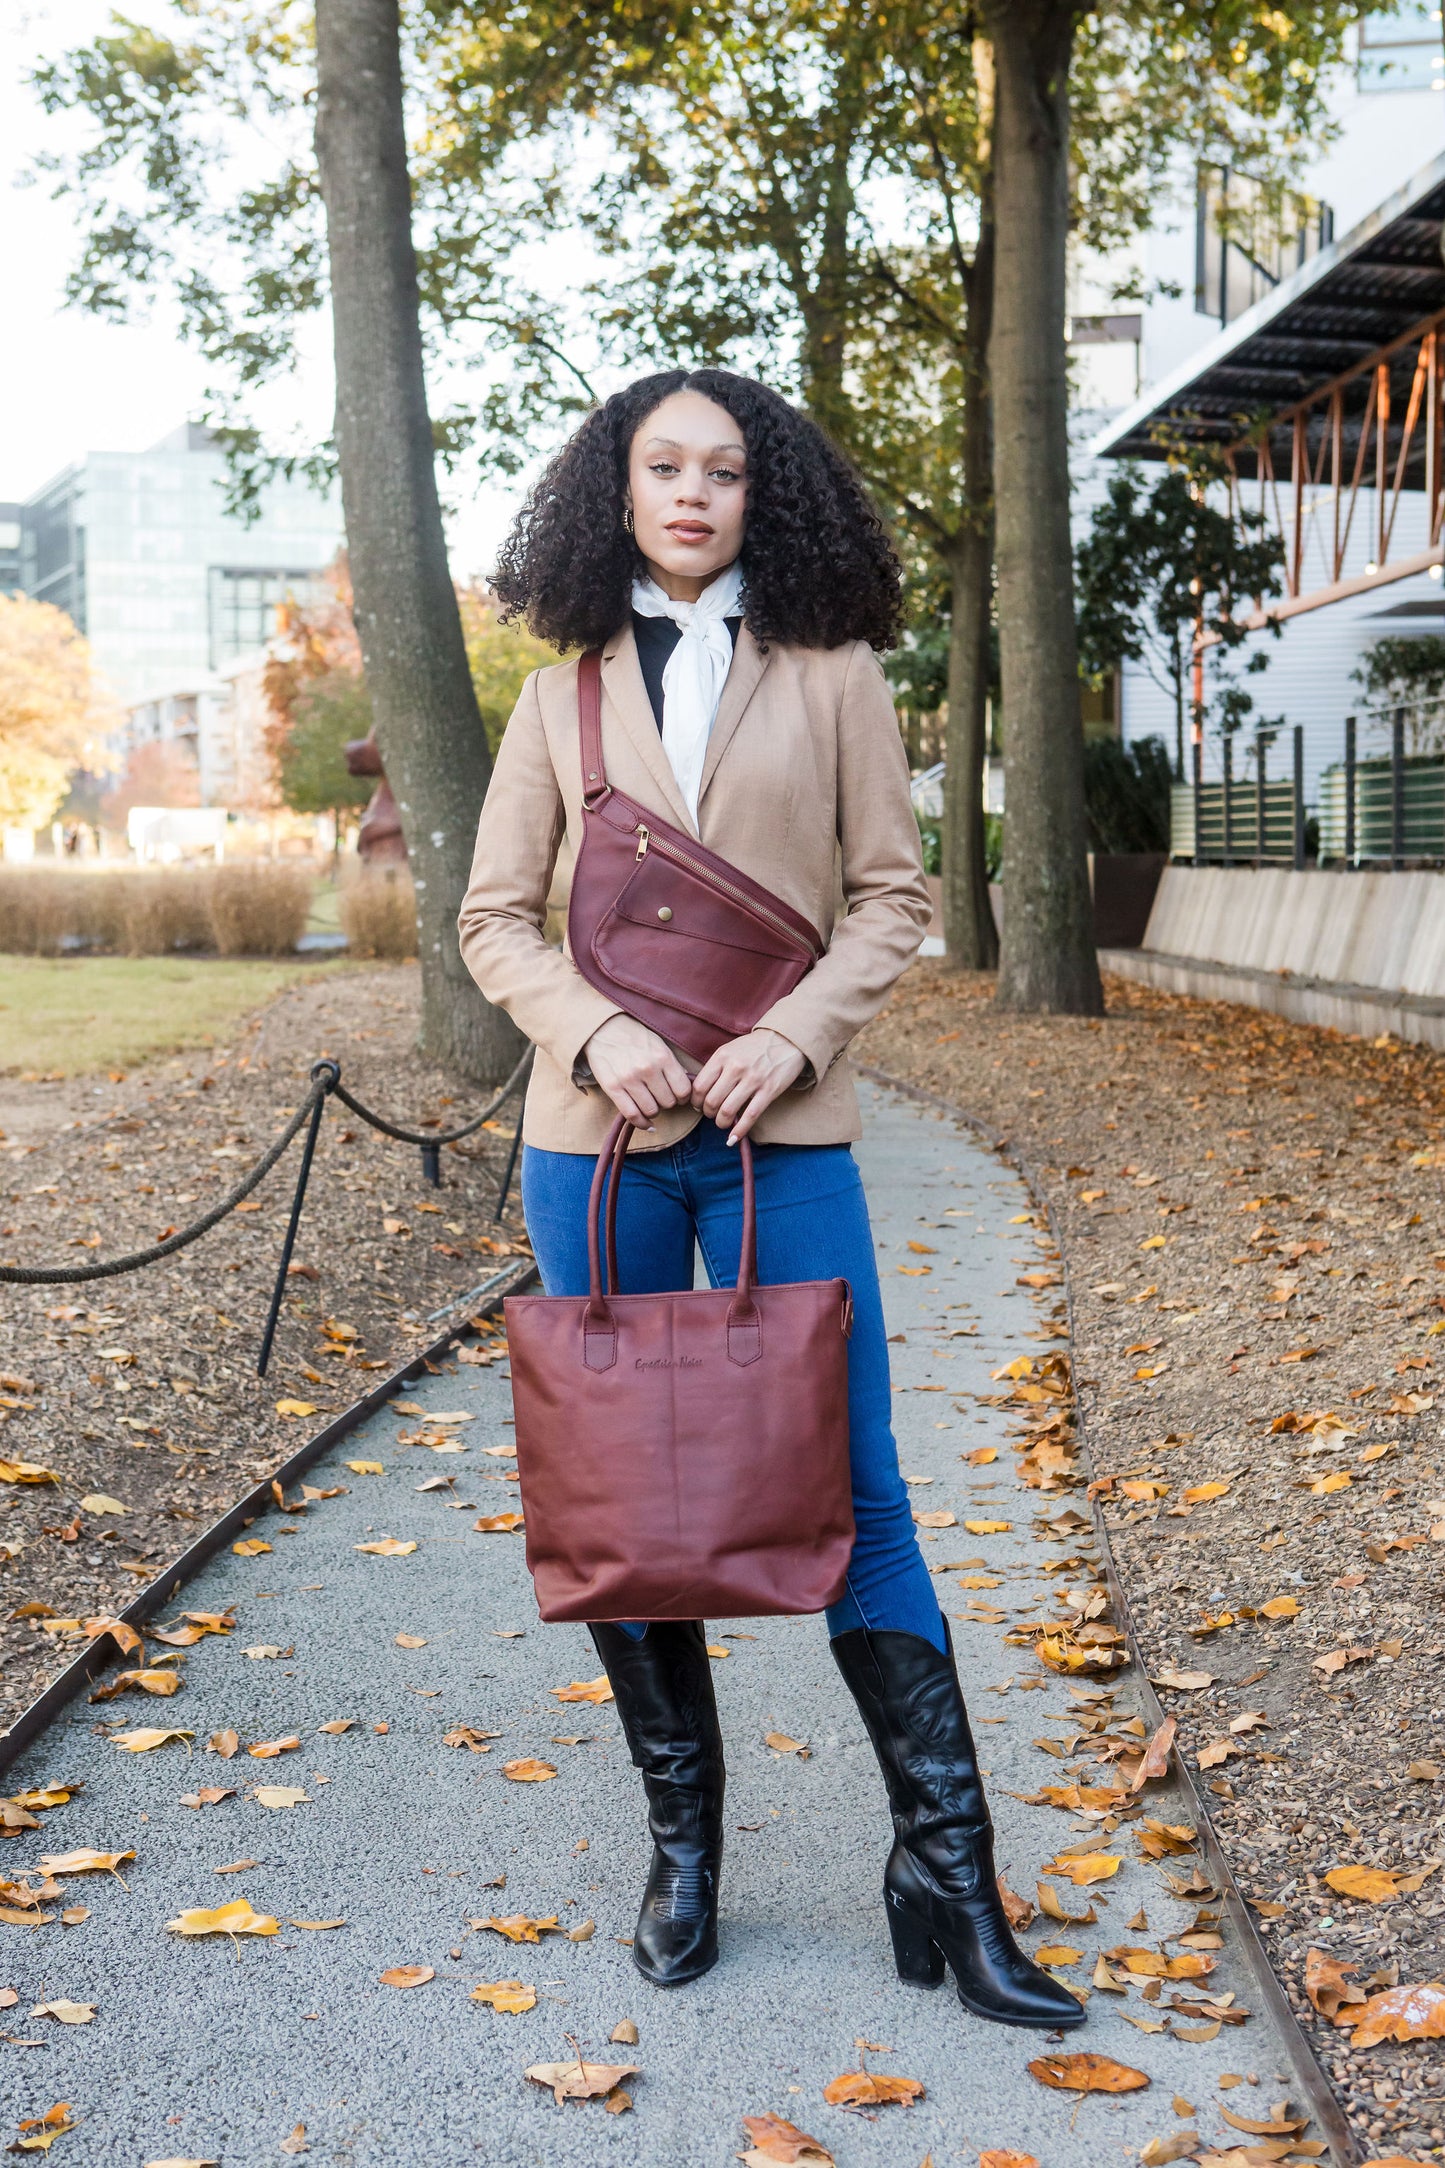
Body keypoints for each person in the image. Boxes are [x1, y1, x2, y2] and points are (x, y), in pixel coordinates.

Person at [458, 367, 1081, 2032]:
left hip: (783, 1142)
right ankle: (683, 1857)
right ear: (616, 491)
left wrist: (787, 1035)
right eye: (660, 467)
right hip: (591, 1155)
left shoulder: (837, 676)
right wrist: (596, 1031)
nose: (688, 495)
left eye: (721, 471)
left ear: (761, 496)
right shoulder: (556, 702)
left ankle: (949, 1879)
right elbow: (493, 921)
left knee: (857, 1491)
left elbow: (891, 899)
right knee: (630, 1500)